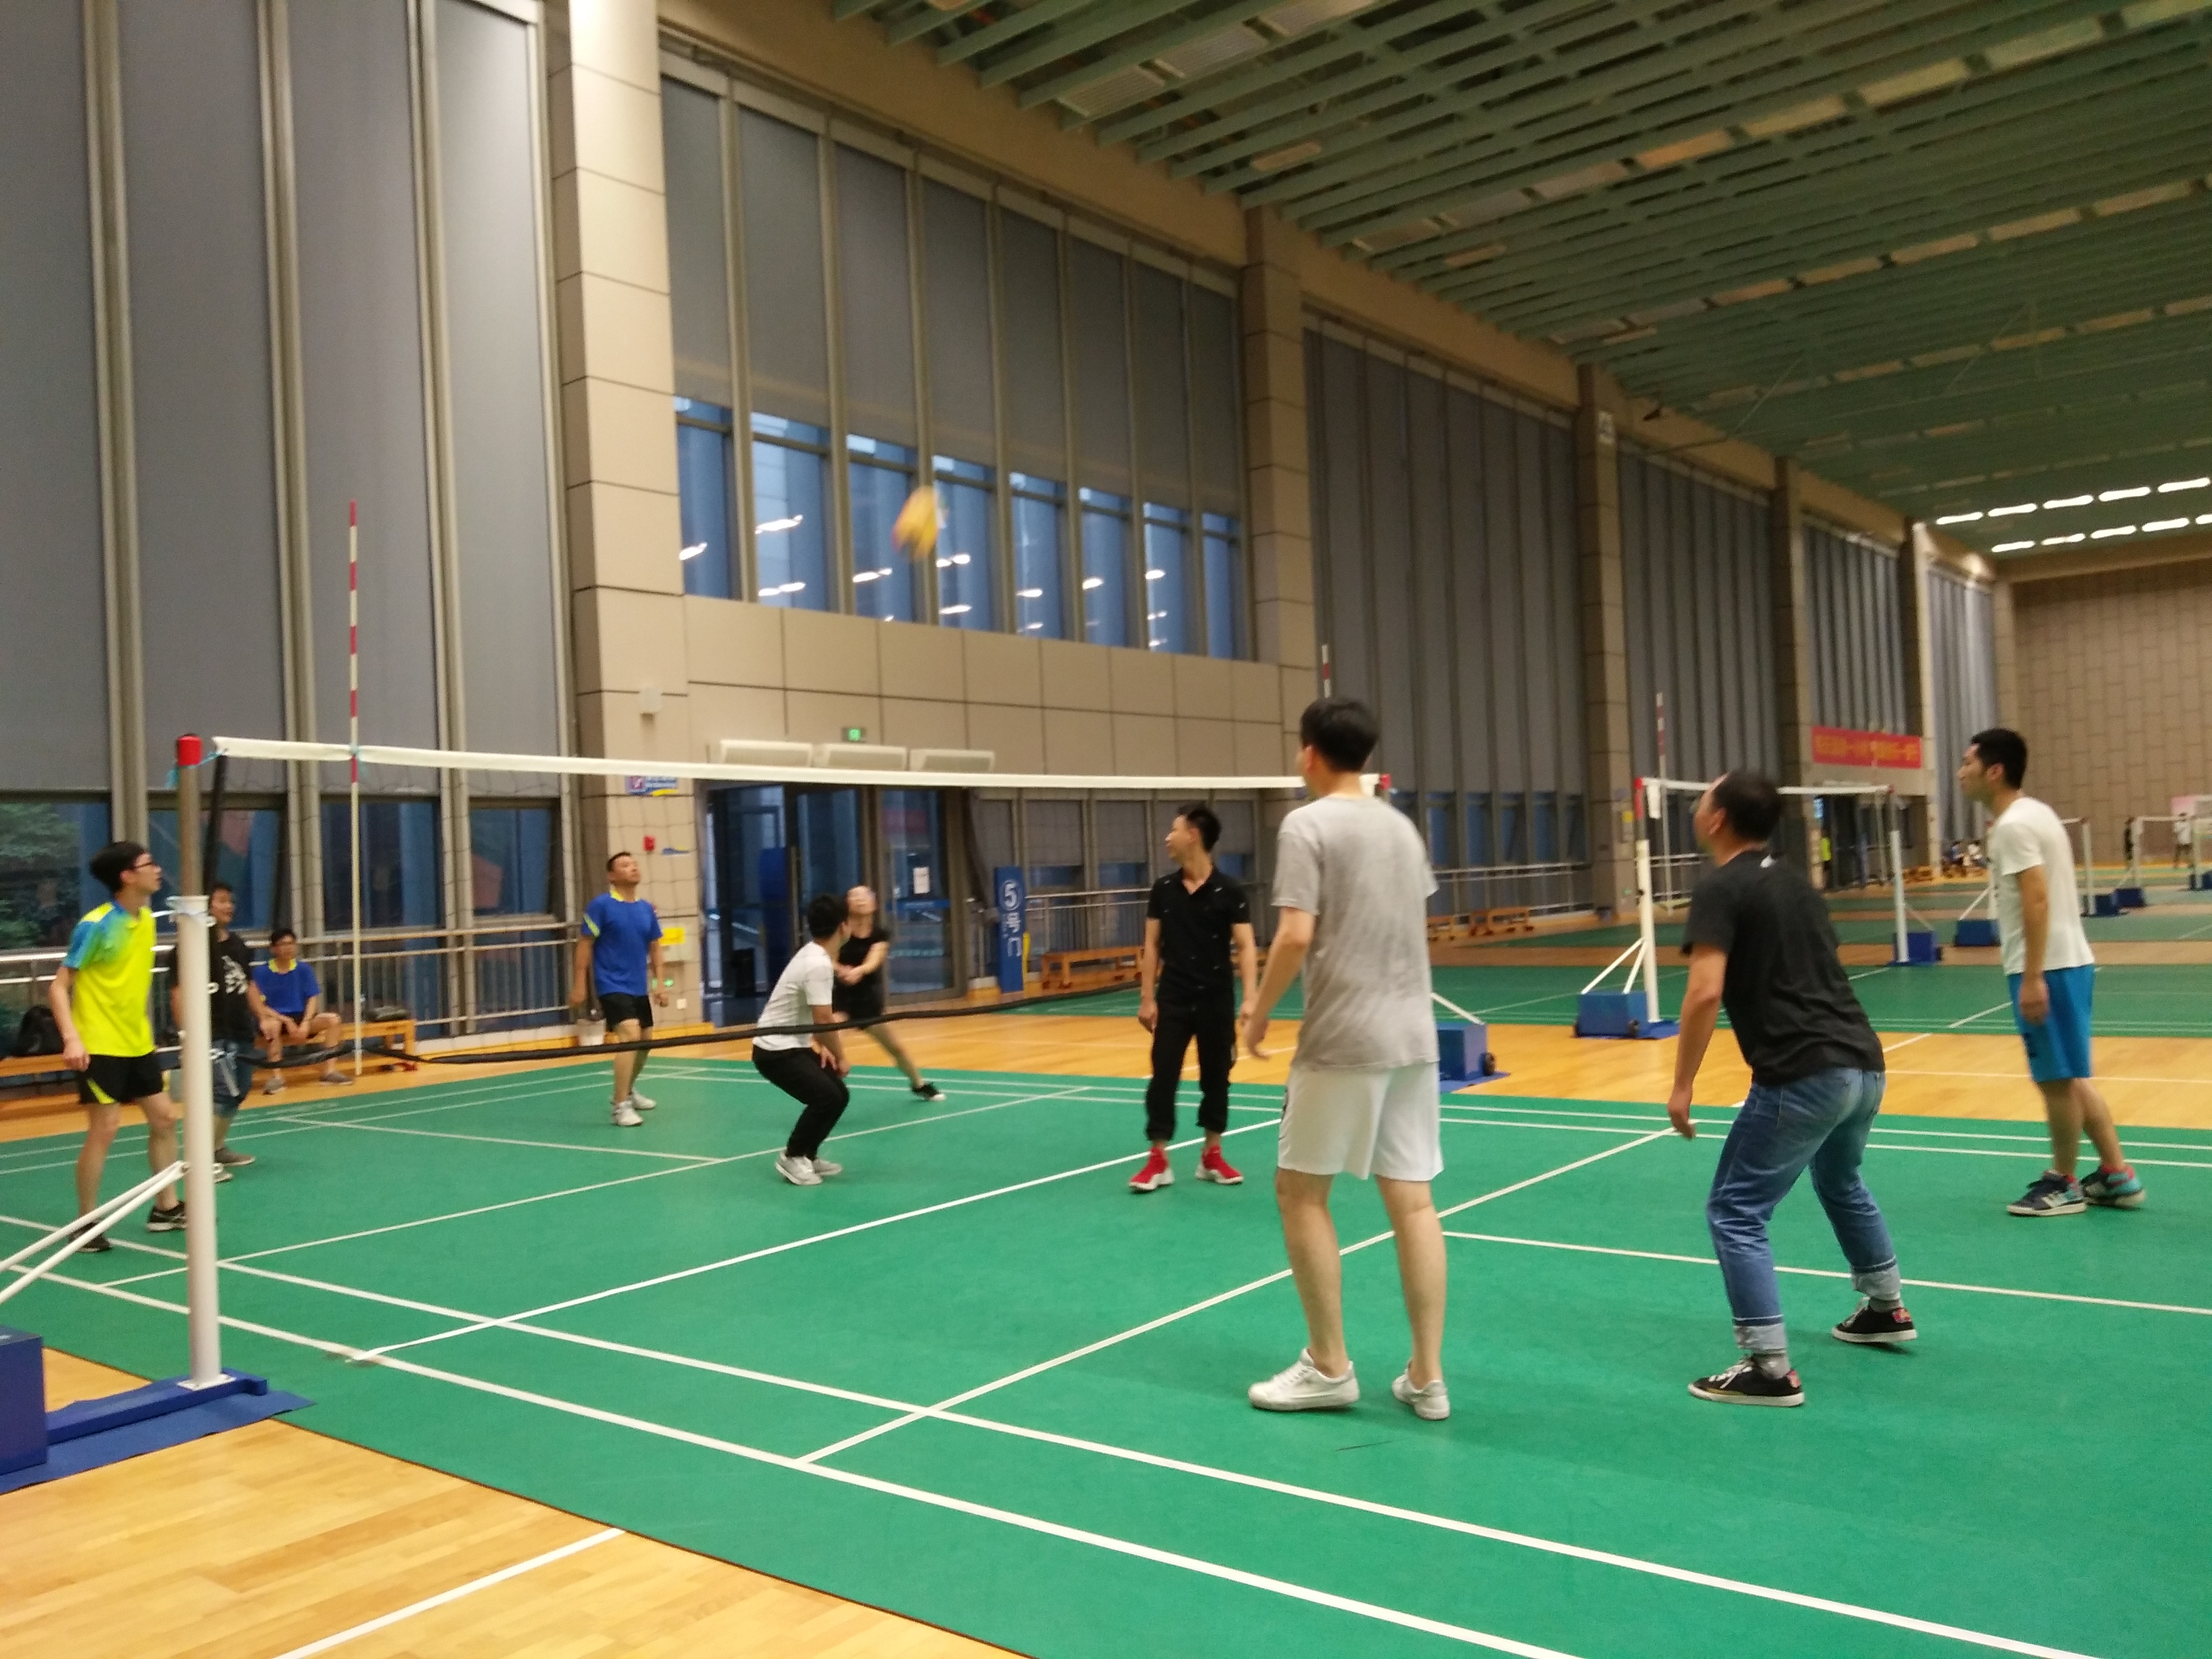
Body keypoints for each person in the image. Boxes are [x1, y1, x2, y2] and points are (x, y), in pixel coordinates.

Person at [1666, 770, 1912, 1408]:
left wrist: (1681, 1084)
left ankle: (1767, 1366)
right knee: (1840, 1179)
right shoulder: (1797, 883)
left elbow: (1704, 991)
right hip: (1864, 1065)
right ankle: (1883, 1307)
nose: (1698, 805)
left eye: (1704, 797)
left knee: (1734, 1211)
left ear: (1716, 819)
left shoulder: (1720, 886)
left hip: (1801, 1073)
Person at [1241, 698, 1451, 1422]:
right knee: (1414, 1202)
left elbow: (1295, 934)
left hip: (1342, 1039)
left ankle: (1329, 1366)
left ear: (1309, 753)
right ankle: (1427, 1377)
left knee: (1300, 1193)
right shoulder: (1400, 827)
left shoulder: (1306, 825)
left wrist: (1258, 1010)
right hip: (1414, 1039)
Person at [1957, 728, 2144, 1215]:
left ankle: (2063, 1183)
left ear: (1994, 771)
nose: (1960, 773)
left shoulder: (2013, 827)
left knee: (2055, 1081)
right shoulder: (2037, 813)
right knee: (2070, 1074)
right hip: (2069, 958)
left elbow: (2036, 898)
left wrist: (2033, 975)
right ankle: (2116, 1174)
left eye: (1967, 763)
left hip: (2048, 965)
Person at [49, 841, 184, 1247]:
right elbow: (59, 987)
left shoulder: (145, 920)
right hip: (100, 1043)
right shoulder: (96, 925)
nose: (157, 869)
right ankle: (86, 1222)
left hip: (137, 1041)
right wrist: (72, 1038)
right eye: (148, 864)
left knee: (164, 1119)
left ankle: (166, 1207)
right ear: (127, 876)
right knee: (105, 1129)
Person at [1130, 803, 1257, 1193]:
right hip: (1174, 997)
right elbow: (1152, 946)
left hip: (1216, 999)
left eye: (1174, 830)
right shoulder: (1163, 890)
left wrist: (1251, 998)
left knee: (1217, 1078)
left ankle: (1211, 1155)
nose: (1167, 838)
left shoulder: (1230, 891)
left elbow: (1246, 946)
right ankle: (1158, 1158)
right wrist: (1147, 998)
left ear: (1194, 836)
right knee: (1163, 1075)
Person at [168, 880, 270, 1178]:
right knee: (222, 1092)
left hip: (241, 1029)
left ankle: (216, 1148)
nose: (229, 906)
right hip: (211, 1032)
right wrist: (187, 1034)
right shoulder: (190, 946)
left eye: (231, 901)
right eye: (222, 900)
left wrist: (263, 1016)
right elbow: (178, 992)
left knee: (239, 1091)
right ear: (205, 906)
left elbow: (248, 984)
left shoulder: (238, 945)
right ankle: (200, 1160)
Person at [755, 892, 852, 1187]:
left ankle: (808, 1154)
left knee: (839, 1095)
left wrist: (820, 1045)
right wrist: (841, 1055)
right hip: (774, 1051)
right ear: (843, 927)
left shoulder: (814, 955)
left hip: (792, 1044)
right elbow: (824, 1018)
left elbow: (810, 1014)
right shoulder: (818, 964)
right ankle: (793, 1156)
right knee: (826, 1097)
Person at [572, 851, 668, 1128]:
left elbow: (655, 948)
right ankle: (620, 1106)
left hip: (638, 986)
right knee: (630, 1034)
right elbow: (585, 944)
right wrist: (579, 984)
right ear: (612, 876)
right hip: (611, 984)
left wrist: (660, 985)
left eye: (634, 864)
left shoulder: (646, 909)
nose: (633, 868)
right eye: (625, 865)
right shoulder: (601, 906)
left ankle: (628, 1089)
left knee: (645, 1041)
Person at [833, 885, 944, 1103]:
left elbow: (874, 961)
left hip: (868, 1003)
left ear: (874, 904)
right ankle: (826, 1090)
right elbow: (827, 958)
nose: (860, 899)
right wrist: (840, 970)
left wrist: (858, 971)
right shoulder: (840, 931)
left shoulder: (879, 934)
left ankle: (919, 1084)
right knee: (832, 1046)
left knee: (897, 1048)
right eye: (854, 896)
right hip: (841, 1001)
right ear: (847, 904)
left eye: (865, 896)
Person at [254, 927, 349, 1090]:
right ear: (273, 949)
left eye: (291, 943)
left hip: (301, 1017)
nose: (288, 948)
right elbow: (260, 1005)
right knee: (273, 1026)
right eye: (283, 944)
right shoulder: (261, 972)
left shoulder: (304, 969)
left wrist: (305, 1022)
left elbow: (313, 998)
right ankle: (276, 1077)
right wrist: (286, 1021)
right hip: (275, 1018)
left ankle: (330, 1071)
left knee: (333, 1020)